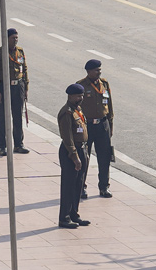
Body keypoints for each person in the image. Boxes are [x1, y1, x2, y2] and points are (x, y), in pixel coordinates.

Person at [77, 59, 114, 199]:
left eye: (100, 69)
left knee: (104, 158)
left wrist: (110, 125)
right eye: (96, 70)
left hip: (102, 125)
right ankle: (81, 187)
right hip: (87, 126)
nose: (99, 72)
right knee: (84, 157)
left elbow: (109, 105)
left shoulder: (104, 84)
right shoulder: (81, 85)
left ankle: (104, 187)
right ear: (89, 71)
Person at [0, 28, 29, 156]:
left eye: (16, 37)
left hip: (19, 87)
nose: (15, 40)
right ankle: (1, 146)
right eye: (13, 38)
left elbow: (25, 70)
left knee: (18, 117)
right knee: (2, 117)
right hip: (5, 86)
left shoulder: (20, 51)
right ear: (6, 39)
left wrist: (26, 88)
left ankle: (18, 144)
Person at [56, 83, 89, 229]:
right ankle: (64, 218)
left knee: (78, 185)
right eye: (78, 96)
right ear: (70, 96)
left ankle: (74, 214)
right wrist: (75, 157)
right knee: (68, 186)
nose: (80, 98)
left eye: (81, 96)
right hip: (70, 151)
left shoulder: (77, 110)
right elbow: (67, 137)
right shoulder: (67, 113)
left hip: (81, 149)